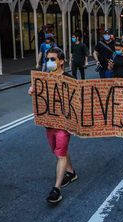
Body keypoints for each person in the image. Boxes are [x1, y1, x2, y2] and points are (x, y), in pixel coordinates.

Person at [28, 48, 78, 203]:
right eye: (47, 59)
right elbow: (42, 98)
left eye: (52, 59)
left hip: (63, 125)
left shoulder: (69, 79)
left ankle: (56, 190)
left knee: (60, 155)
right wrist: (33, 92)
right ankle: (71, 172)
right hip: (49, 124)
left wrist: (74, 124)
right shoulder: (43, 78)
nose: (49, 62)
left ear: (61, 61)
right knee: (58, 151)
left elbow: (77, 103)